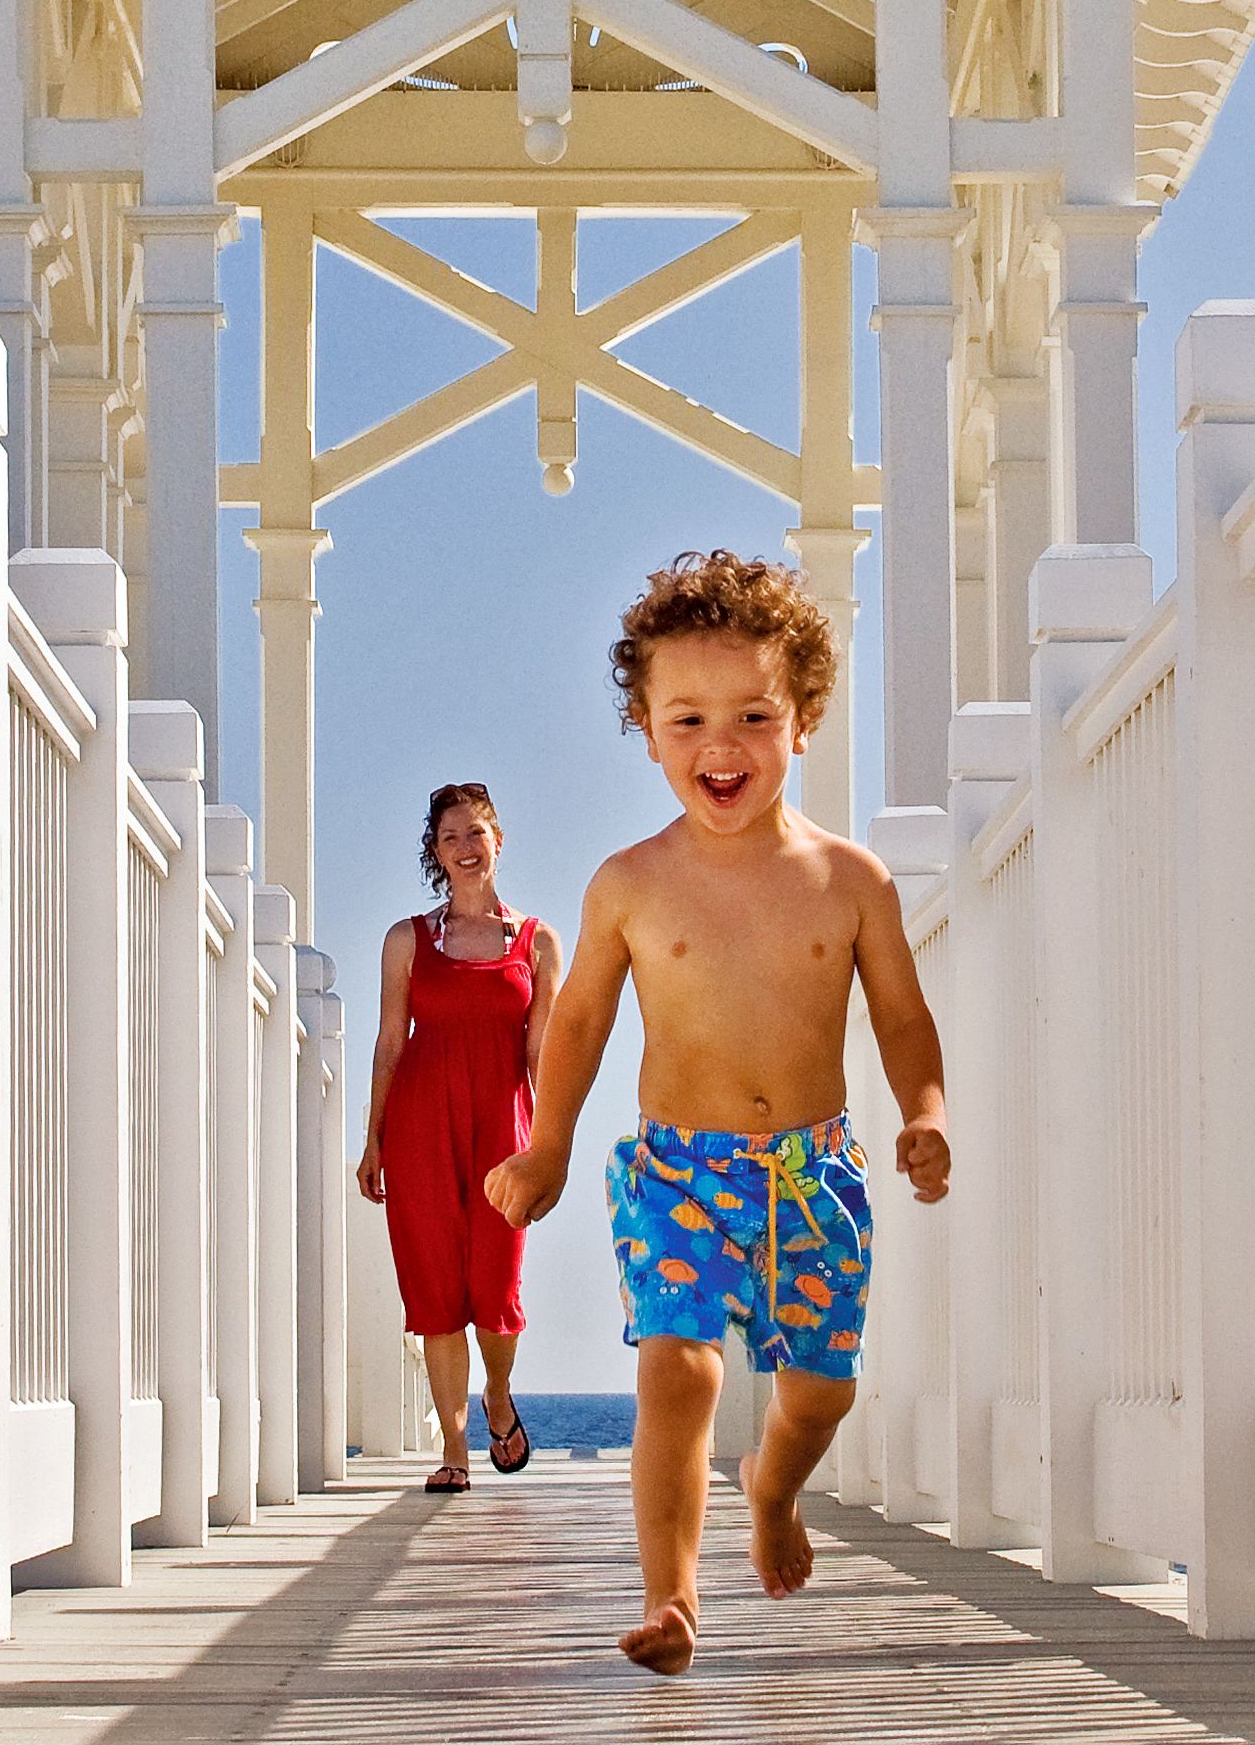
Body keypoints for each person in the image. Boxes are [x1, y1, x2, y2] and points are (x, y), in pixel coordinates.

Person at [484, 550, 952, 1676]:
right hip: (678, 1171)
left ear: (805, 721)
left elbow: (899, 1017)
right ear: (646, 730)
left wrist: (923, 1110)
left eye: (752, 714)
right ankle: (671, 1597)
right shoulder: (631, 883)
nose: (720, 746)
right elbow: (582, 1027)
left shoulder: (851, 881)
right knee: (678, 1365)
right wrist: (545, 1147)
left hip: (815, 1172)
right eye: (686, 719)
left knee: (820, 1392)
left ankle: (774, 1490)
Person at [357, 782, 563, 1493]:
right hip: (420, 1126)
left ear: (498, 840)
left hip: (503, 1129)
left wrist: (549, 1146)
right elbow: (389, 1043)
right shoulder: (407, 940)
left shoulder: (538, 943)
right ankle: (454, 1449)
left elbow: (542, 1054)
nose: (466, 849)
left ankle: (497, 1396)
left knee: (496, 1289)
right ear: (435, 854)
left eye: (476, 833)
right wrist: (374, 1137)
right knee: (438, 1291)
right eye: (450, 839)